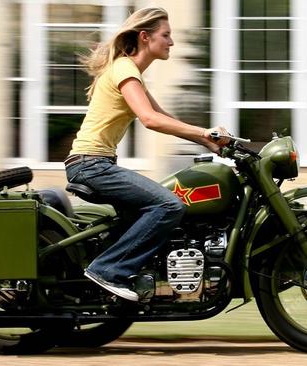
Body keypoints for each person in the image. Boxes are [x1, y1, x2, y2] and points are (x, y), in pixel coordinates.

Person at [64, 7, 230, 302]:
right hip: (92, 165)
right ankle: (107, 269)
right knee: (169, 206)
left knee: (153, 210)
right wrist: (203, 133)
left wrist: (206, 139)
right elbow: (150, 120)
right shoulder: (125, 70)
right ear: (145, 37)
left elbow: (162, 116)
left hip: (95, 163)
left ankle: (131, 277)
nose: (171, 42)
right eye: (166, 35)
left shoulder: (130, 71)